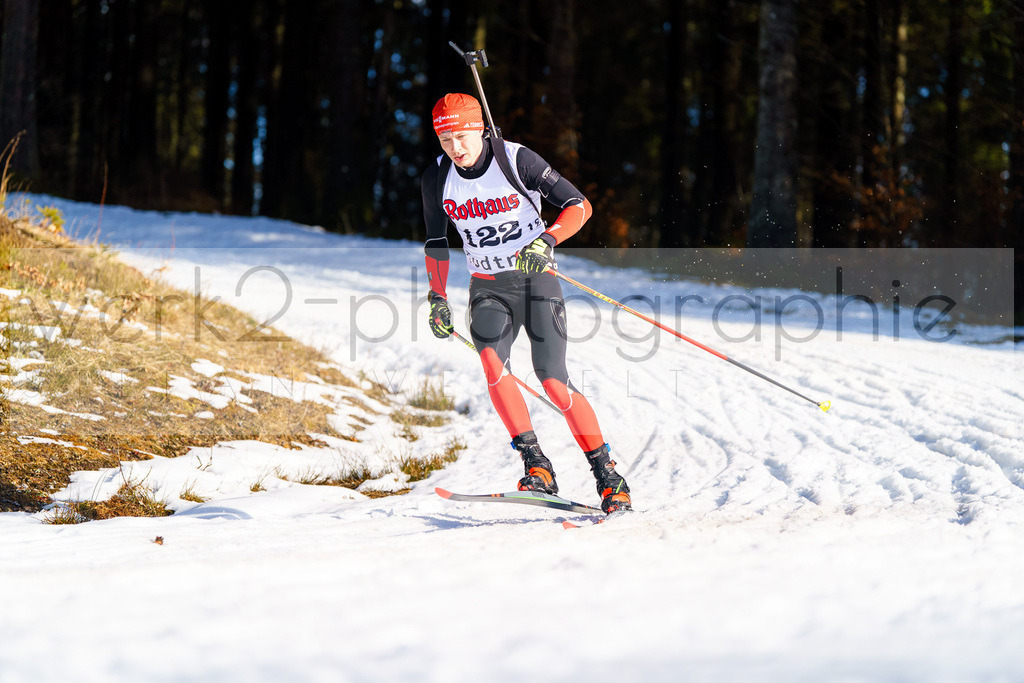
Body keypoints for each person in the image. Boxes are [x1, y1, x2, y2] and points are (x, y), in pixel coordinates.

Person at [420, 92, 631, 513]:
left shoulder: (516, 160)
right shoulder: (436, 177)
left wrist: (546, 240)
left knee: (552, 380)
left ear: (479, 128)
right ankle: (537, 466)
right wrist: (437, 296)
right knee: (493, 366)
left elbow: (578, 205)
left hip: (536, 281)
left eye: (462, 136)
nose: (455, 148)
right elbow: (436, 241)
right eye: (445, 140)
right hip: (487, 287)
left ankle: (609, 477)